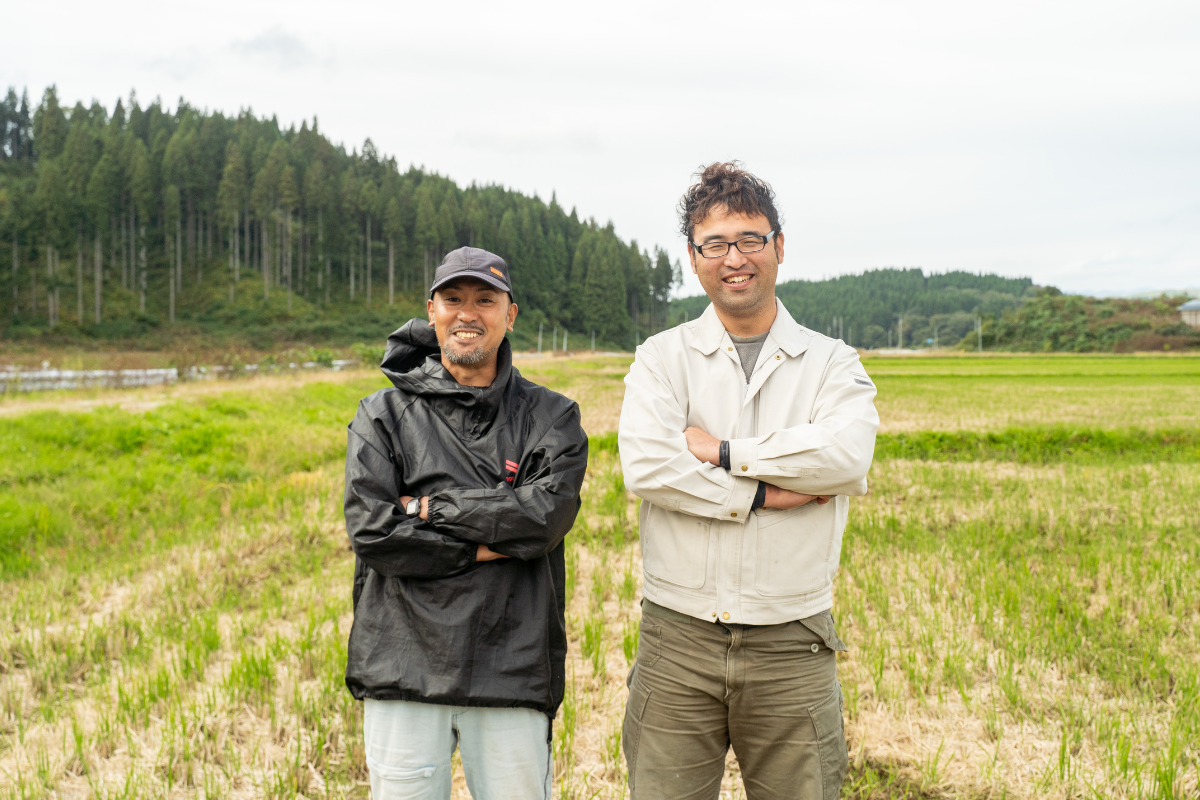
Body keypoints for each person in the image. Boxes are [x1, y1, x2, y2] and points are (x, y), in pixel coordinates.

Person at [618, 162, 879, 799]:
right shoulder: (662, 358)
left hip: (793, 640)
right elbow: (649, 466)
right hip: (677, 638)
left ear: (779, 247)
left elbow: (845, 458)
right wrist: (761, 493)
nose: (734, 258)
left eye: (750, 240)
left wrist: (725, 452)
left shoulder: (830, 363)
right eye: (715, 244)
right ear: (693, 257)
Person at [343, 246, 588, 800]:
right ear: (431, 311)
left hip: (513, 666)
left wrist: (428, 508)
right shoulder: (380, 416)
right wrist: (487, 543)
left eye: (485, 299)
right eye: (453, 299)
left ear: (511, 314)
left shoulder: (552, 417)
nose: (467, 313)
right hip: (401, 667)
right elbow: (375, 533)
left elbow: (544, 518)